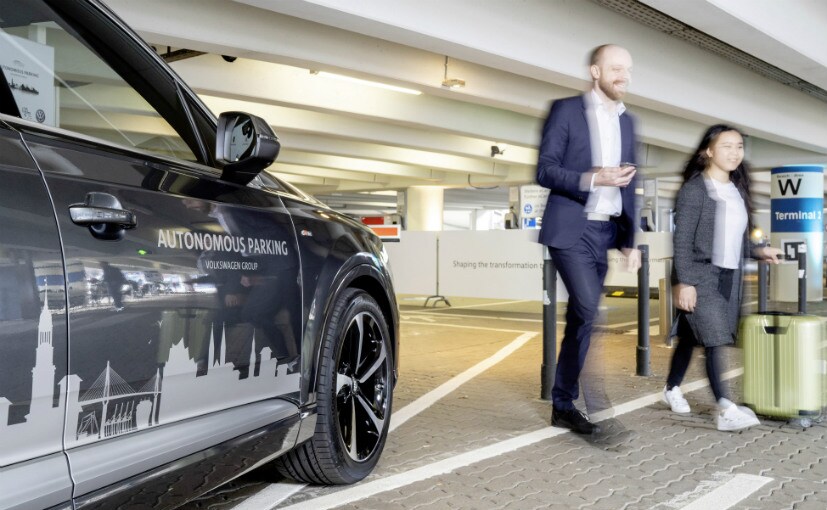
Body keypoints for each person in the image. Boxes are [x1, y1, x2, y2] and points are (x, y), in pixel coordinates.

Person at [537, 44, 641, 435]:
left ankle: (562, 404)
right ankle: (595, 402)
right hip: (571, 229)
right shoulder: (566, 110)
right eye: (616, 68)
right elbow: (545, 170)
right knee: (588, 309)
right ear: (595, 71)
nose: (624, 75)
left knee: (581, 319)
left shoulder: (628, 122)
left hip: (606, 232)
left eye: (627, 70)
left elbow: (634, 184)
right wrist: (594, 178)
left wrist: (631, 239)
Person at [662, 124, 781, 431]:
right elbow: (682, 240)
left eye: (739, 146)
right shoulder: (694, 190)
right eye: (727, 146)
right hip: (701, 274)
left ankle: (671, 387)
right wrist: (684, 282)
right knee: (715, 338)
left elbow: (735, 237)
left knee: (692, 335)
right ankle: (724, 408)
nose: (735, 152)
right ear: (709, 151)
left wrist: (759, 251)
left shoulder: (737, 190)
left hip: (729, 276)